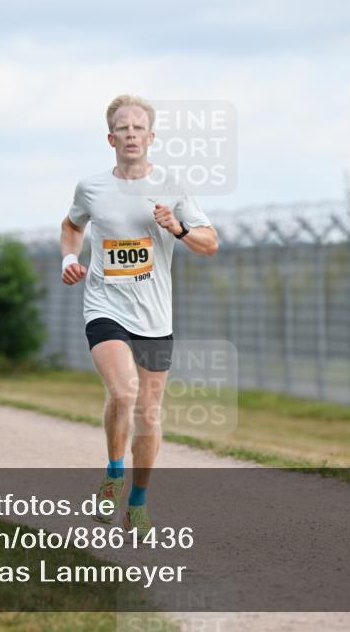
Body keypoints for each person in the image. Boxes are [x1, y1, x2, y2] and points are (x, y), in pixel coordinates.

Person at [60, 95, 219, 532]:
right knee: (124, 392)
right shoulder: (91, 187)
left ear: (151, 137)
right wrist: (68, 260)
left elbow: (210, 243)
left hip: (154, 315)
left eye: (138, 128)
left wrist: (179, 228)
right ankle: (114, 474)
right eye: (123, 128)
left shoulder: (172, 186)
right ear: (111, 138)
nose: (131, 134)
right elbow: (72, 226)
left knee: (148, 412)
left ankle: (139, 500)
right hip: (104, 304)